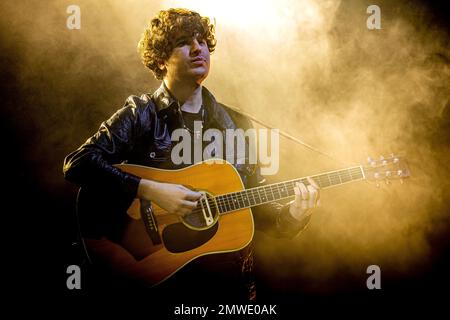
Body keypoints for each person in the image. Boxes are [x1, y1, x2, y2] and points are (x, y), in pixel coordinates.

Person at [63, 8, 320, 301]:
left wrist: (293, 215)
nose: (198, 48)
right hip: (157, 280)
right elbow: (78, 163)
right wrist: (153, 190)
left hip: (226, 287)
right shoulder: (142, 114)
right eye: (184, 41)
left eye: (202, 41)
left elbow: (252, 204)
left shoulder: (235, 123)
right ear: (161, 58)